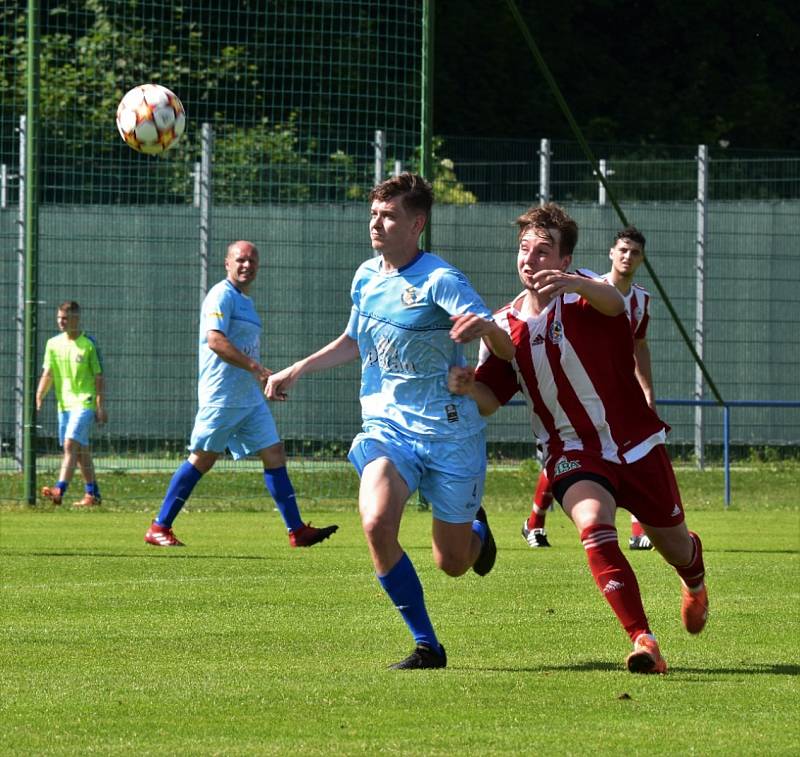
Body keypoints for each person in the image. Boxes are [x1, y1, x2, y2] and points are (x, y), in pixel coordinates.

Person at [266, 173, 514, 669]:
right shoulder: (365, 276)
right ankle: (428, 645)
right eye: (374, 215)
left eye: (389, 215)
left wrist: (484, 327)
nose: (377, 224)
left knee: (452, 562)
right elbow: (353, 340)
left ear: (416, 223)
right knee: (376, 521)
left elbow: (505, 349)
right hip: (388, 428)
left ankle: (476, 536)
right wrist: (296, 369)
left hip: (449, 435)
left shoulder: (440, 279)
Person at [449, 203, 708, 674]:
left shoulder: (588, 291)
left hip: (636, 443)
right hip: (571, 451)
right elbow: (491, 399)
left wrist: (575, 284)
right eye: (523, 249)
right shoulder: (502, 325)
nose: (530, 259)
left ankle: (694, 579)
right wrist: (468, 387)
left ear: (566, 260)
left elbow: (614, 302)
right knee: (593, 524)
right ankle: (643, 640)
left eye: (543, 251)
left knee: (674, 547)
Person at [144, 240, 338, 549]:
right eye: (240, 260)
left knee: (274, 453)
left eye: (252, 261)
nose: (246, 265)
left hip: (247, 399)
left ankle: (297, 530)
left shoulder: (245, 301)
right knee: (202, 459)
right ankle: (159, 526)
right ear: (227, 263)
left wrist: (262, 382)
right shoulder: (221, 295)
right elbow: (215, 341)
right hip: (222, 396)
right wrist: (257, 369)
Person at [521, 227, 656, 551]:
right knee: (571, 455)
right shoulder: (586, 288)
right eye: (622, 250)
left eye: (635, 252)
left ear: (642, 259)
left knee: (632, 454)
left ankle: (638, 530)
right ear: (612, 253)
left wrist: (647, 391)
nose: (627, 257)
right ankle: (535, 522)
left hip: (619, 395)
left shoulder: (640, 299)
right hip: (581, 394)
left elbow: (639, 345)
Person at [36, 301, 107, 507]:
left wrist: (100, 405)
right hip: (64, 405)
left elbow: (99, 377)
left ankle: (59, 489)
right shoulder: (53, 344)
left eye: (65, 318)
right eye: (59, 318)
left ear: (76, 318)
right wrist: (39, 395)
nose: (61, 322)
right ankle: (92, 494)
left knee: (69, 444)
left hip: (84, 402)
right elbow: (47, 373)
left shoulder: (88, 344)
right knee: (80, 450)